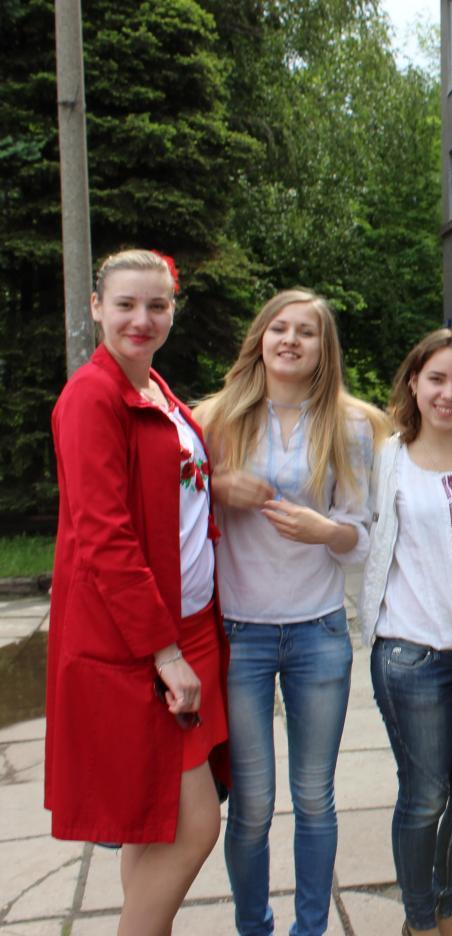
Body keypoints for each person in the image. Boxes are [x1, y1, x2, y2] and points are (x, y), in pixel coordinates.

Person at [45, 248, 229, 934]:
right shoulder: (91, 396)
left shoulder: (156, 389)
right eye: (125, 304)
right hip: (141, 645)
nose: (141, 319)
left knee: (157, 824)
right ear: (97, 307)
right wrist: (163, 652)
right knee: (195, 824)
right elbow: (104, 538)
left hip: (191, 628)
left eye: (157, 305)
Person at [195, 289, 384, 936]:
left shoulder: (350, 425)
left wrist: (324, 530)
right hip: (240, 633)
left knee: (313, 799)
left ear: (323, 350)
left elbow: (360, 535)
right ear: (261, 337)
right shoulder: (215, 420)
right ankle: (254, 926)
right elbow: (176, 505)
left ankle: (311, 929)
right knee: (251, 805)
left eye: (307, 332)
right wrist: (216, 487)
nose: (291, 340)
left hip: (318, 632)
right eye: (280, 327)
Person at [359, 328, 452, 936]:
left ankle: (443, 904)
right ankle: (424, 924)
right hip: (410, 656)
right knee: (425, 796)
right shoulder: (387, 456)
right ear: (414, 383)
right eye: (437, 379)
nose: (449, 394)